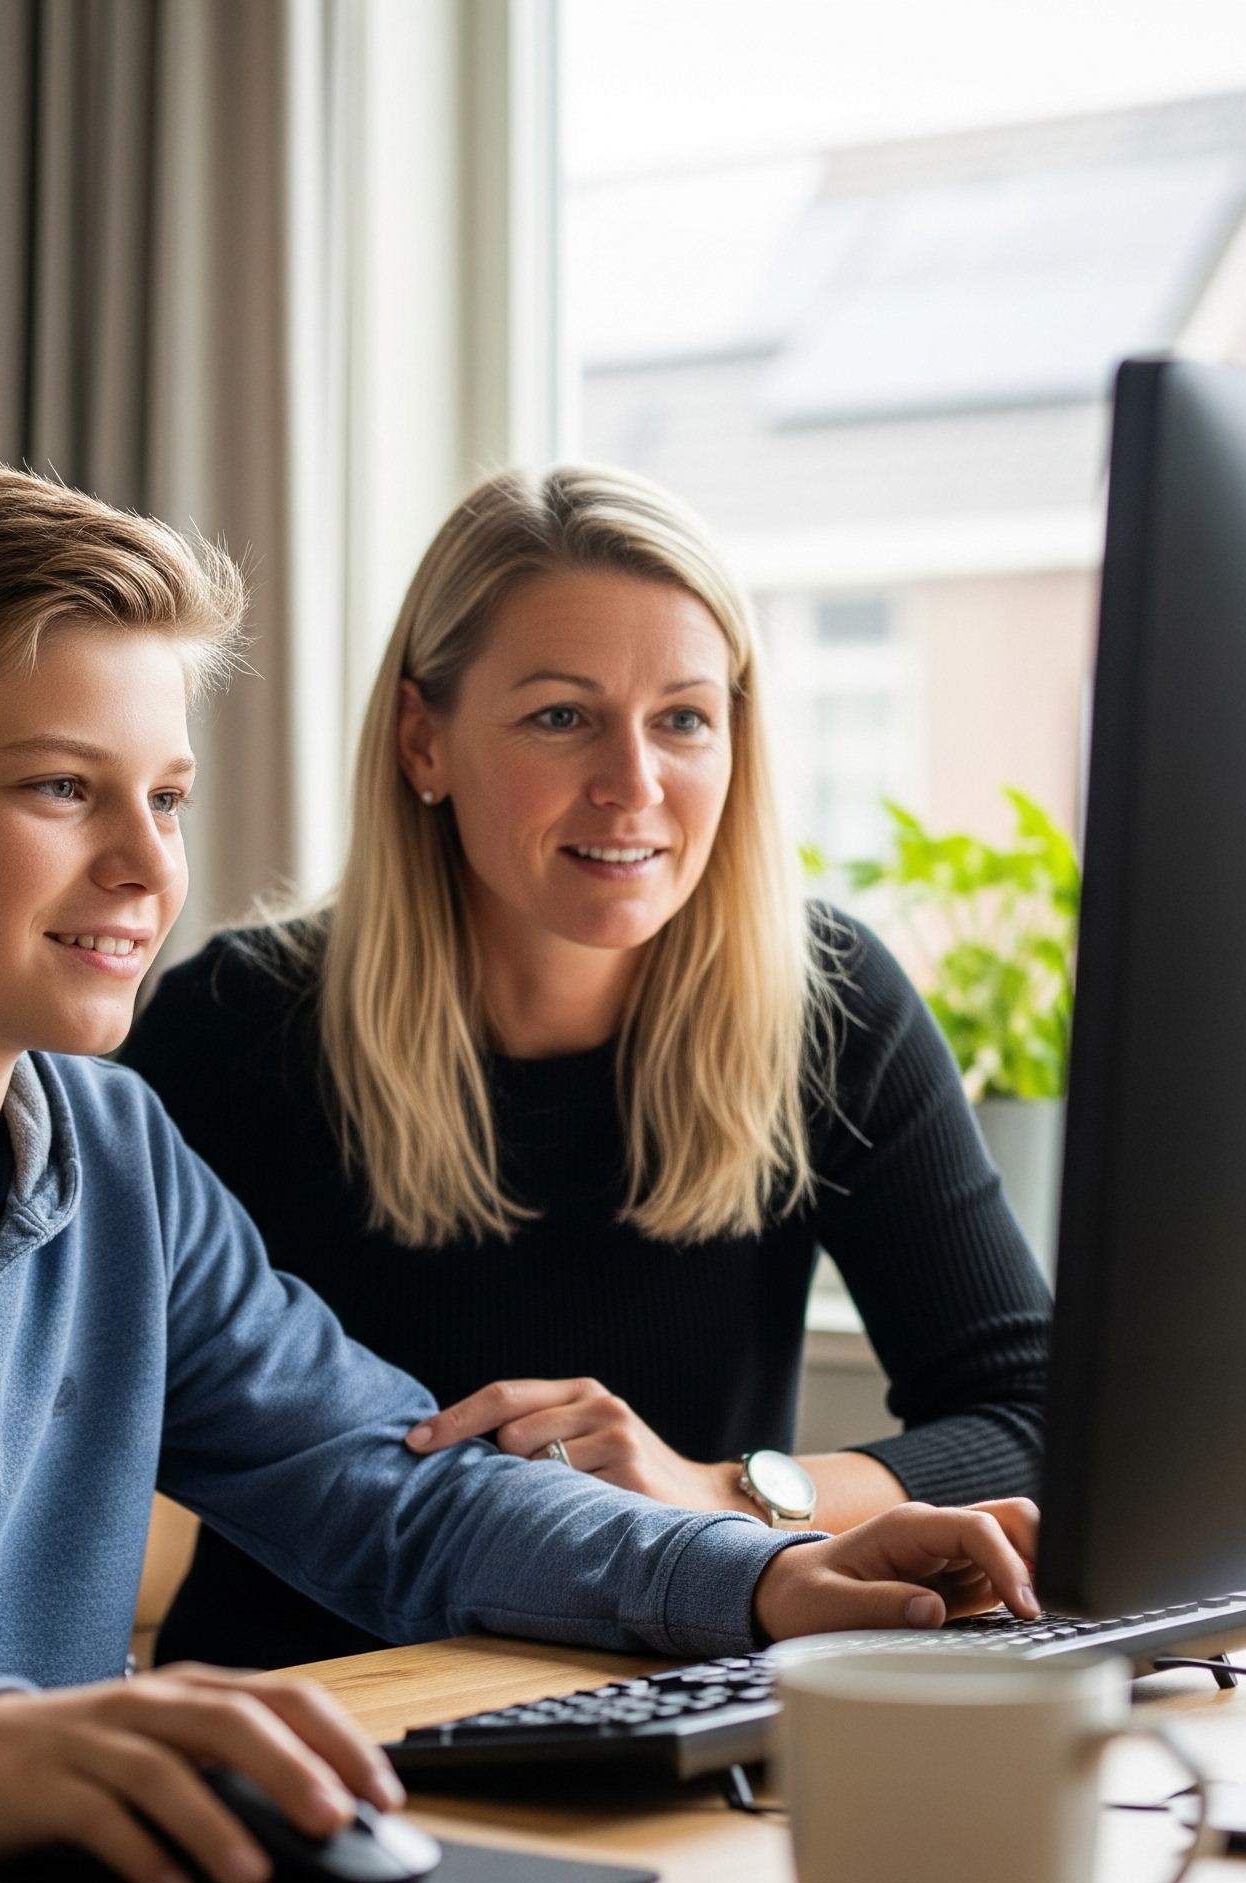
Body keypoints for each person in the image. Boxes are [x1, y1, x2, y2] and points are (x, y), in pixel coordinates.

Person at [0, 459, 1037, 1883]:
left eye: (166, 797)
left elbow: (391, 1479)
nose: (144, 867)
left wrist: (759, 1572)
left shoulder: (108, 1152)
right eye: (61, 787)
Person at [121, 465, 1052, 1672]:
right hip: (330, 1713)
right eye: (562, 716)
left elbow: (1027, 1414)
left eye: (682, 717)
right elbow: (71, 1435)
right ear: (424, 739)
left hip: (681, 1683)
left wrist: (722, 1488)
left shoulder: (826, 1004)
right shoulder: (232, 1027)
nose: (634, 783)